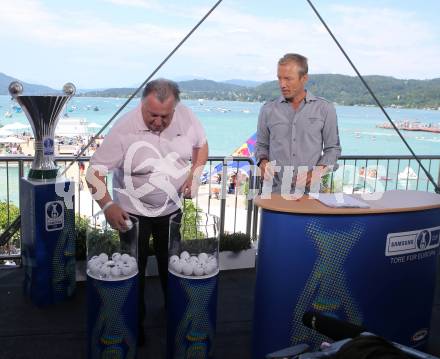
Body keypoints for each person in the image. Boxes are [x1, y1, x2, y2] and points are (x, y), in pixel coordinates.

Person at [86, 79, 208, 345]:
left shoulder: (186, 117)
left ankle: (175, 316)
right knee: (134, 271)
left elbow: (202, 145)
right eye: (152, 115)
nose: (158, 122)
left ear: (175, 108)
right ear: (143, 104)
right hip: (131, 214)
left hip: (172, 208)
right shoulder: (123, 129)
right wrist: (108, 205)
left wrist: (195, 176)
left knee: (173, 268)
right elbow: (93, 173)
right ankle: (134, 323)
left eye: (165, 116)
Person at [255, 53, 341, 194]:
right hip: (274, 194)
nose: (282, 84)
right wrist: (262, 161)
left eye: (288, 79)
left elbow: (333, 149)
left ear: (304, 78)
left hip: (310, 195)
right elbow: (261, 145)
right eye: (279, 78)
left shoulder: (325, 109)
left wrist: (316, 172)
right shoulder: (268, 109)